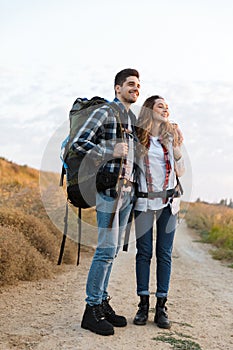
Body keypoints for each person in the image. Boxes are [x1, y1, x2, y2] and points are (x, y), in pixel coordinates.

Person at [72, 68, 140, 336]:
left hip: (126, 193)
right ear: (117, 88)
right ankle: (90, 311)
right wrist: (108, 150)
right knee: (104, 251)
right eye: (131, 84)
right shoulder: (105, 112)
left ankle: (102, 302)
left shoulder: (131, 117)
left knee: (111, 252)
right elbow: (79, 143)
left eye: (138, 84)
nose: (136, 88)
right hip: (109, 191)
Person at [133, 95, 185, 329]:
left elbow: (180, 172)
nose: (165, 110)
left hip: (169, 203)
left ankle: (161, 306)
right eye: (160, 106)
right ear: (149, 110)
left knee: (164, 253)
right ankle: (143, 305)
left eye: (167, 107)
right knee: (144, 253)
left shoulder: (171, 136)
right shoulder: (138, 137)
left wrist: (176, 148)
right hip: (143, 202)